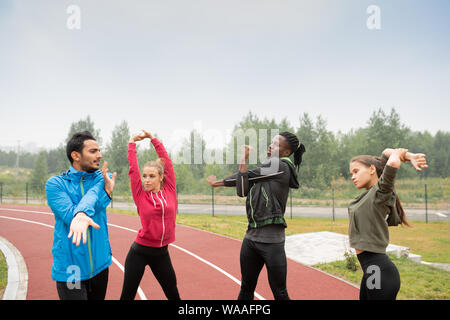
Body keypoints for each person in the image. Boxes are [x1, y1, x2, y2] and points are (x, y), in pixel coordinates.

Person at [206, 132, 305, 300]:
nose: (270, 146)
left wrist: (242, 161)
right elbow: (243, 186)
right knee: (246, 288)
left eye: (276, 144)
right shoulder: (266, 172)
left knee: (280, 292)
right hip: (251, 239)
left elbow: (248, 174)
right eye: (271, 142)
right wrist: (219, 183)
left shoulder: (280, 167)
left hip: (272, 242)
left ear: (286, 153)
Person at [348, 148, 428, 300]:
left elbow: (392, 161)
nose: (353, 176)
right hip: (372, 270)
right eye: (351, 173)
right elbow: (386, 153)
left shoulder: (381, 192)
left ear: (372, 169)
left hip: (377, 269)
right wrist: (409, 155)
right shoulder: (369, 194)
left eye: (356, 171)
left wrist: (400, 155)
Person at [45, 131, 116, 300]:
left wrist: (83, 212)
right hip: (71, 269)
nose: (99, 155)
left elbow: (91, 197)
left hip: (100, 266)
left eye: (99, 150)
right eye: (93, 151)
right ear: (76, 155)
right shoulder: (55, 184)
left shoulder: (103, 177)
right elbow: (71, 216)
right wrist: (101, 197)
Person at [120, 130, 180, 300]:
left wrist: (154, 140)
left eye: (152, 176)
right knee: (127, 296)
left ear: (161, 177)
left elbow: (167, 163)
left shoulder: (170, 190)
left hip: (162, 254)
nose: (146, 179)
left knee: (173, 294)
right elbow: (133, 170)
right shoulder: (141, 195)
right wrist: (131, 144)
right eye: (145, 176)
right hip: (139, 252)